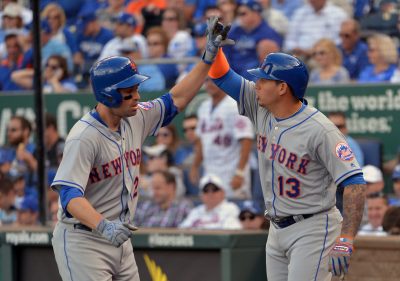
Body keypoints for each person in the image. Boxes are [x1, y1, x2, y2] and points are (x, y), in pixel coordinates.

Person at [50, 17, 233, 281]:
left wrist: (206, 60)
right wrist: (103, 226)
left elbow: (176, 99)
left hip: (119, 239)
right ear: (108, 95)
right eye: (129, 91)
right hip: (84, 240)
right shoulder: (83, 136)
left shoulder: (135, 115)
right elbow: (69, 196)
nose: (137, 96)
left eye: (137, 88)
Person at [207, 48, 367, 280]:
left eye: (263, 79)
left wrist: (347, 238)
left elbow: (355, 182)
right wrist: (215, 50)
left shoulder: (320, 129)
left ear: (282, 88)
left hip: (313, 227)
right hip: (276, 228)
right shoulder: (261, 106)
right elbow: (221, 75)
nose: (256, 84)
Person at [190, 78, 254, 199]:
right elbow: (200, 142)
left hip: (231, 171)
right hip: (210, 172)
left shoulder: (236, 105)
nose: (210, 84)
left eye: (214, 80)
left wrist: (239, 173)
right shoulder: (203, 107)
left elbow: (246, 141)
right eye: (207, 80)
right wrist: (195, 165)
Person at [11, 55, 77, 93]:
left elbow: (62, 97)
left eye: (53, 67)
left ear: (61, 70)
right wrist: (38, 72)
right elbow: (15, 76)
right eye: (47, 65)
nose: (48, 69)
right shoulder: (41, 82)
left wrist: (54, 80)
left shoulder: (68, 83)